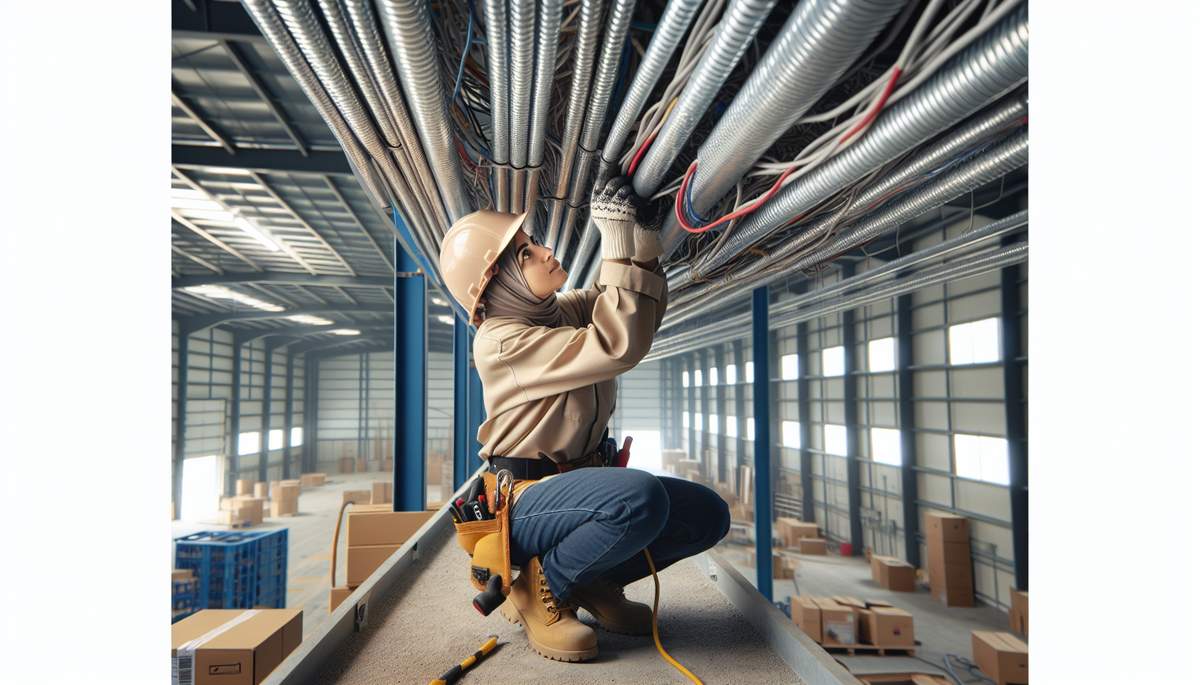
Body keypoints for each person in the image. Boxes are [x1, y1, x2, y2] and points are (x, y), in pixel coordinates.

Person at [438, 178, 731, 663]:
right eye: (526, 253)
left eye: (533, 243)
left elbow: (628, 310)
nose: (544, 250)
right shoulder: (500, 341)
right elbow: (618, 343)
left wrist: (641, 244)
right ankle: (542, 586)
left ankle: (591, 579)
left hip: (577, 492)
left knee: (705, 515)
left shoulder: (556, 313)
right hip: (527, 503)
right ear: (497, 281)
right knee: (639, 500)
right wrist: (613, 238)